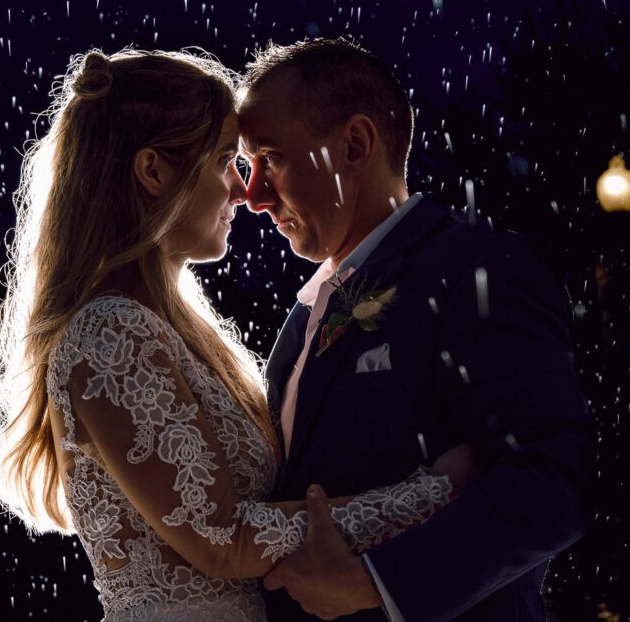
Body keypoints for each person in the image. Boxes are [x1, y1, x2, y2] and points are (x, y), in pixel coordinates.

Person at [0, 48, 475, 622]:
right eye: (223, 162)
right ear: (153, 171)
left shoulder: (163, 326)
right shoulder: (111, 332)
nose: (243, 191)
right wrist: (429, 494)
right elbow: (223, 539)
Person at [237, 38, 593, 621]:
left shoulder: (476, 270)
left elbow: (555, 481)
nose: (252, 196)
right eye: (248, 167)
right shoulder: (306, 312)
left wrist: (374, 584)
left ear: (354, 144)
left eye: (270, 158)